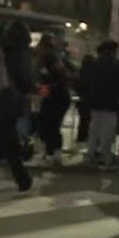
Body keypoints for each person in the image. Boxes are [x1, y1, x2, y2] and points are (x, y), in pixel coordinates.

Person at [0, 24, 33, 192]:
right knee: (7, 142)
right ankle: (23, 179)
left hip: (1, 102)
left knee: (3, 141)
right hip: (10, 103)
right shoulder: (21, 55)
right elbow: (25, 81)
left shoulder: (1, 53)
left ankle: (23, 179)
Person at [85, 41, 119, 169]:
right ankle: (106, 157)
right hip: (110, 102)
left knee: (94, 129)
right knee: (107, 131)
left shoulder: (94, 63)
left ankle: (90, 154)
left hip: (95, 101)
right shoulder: (117, 64)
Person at [35, 33, 72, 166]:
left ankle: (53, 152)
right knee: (47, 124)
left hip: (57, 96)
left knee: (50, 124)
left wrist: (48, 87)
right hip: (54, 96)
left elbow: (62, 74)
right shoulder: (47, 58)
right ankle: (51, 152)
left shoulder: (50, 57)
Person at [74, 54, 94, 143]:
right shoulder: (93, 73)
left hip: (81, 98)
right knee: (88, 119)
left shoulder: (80, 72)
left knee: (83, 119)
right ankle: (87, 137)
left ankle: (81, 136)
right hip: (90, 98)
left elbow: (76, 84)